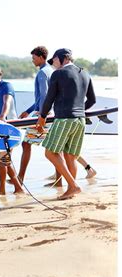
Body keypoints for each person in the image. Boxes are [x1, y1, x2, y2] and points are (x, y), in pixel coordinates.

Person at [36, 48, 96, 200]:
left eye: (54, 61)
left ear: (62, 58)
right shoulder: (85, 73)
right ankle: (71, 190)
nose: (54, 65)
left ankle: (74, 185)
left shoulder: (59, 74)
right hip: (80, 120)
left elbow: (49, 98)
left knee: (50, 152)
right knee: (70, 156)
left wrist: (42, 117)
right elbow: (92, 100)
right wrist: (79, 110)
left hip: (64, 119)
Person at [0, 66, 24, 196]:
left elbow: (6, 102)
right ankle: (16, 188)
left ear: (0, 74)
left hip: (9, 126)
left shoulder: (7, 86)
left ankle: (3, 190)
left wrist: (2, 117)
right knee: (3, 159)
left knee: (3, 159)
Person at [17, 46, 54, 182]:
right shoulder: (51, 71)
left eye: (34, 58)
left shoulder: (42, 73)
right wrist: (28, 111)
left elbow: (44, 95)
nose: (33, 61)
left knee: (26, 144)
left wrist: (41, 116)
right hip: (51, 113)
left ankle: (20, 178)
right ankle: (59, 180)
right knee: (54, 147)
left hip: (44, 114)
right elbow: (41, 98)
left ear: (41, 57)